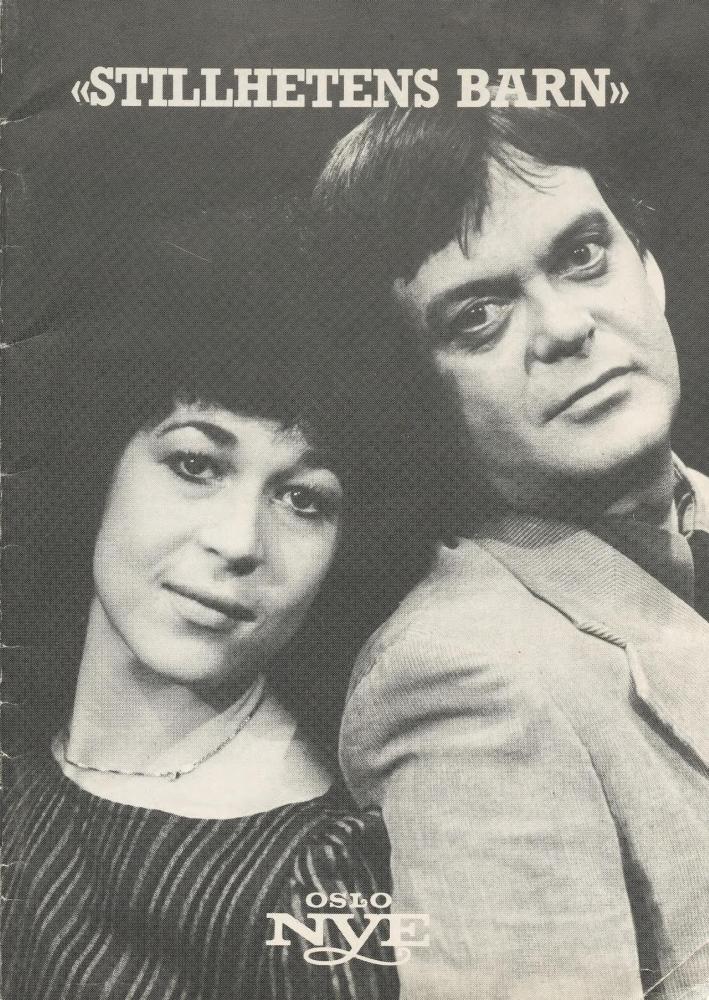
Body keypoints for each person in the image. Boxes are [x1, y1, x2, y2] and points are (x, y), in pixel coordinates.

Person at [1, 206, 463, 1000]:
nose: (239, 541)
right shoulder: (17, 758)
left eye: (304, 500)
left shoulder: (318, 875)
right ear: (99, 460)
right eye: (195, 465)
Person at [315, 107, 709, 999]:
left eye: (582, 255)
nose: (564, 327)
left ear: (648, 265)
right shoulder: (460, 681)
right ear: (418, 395)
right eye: (478, 316)